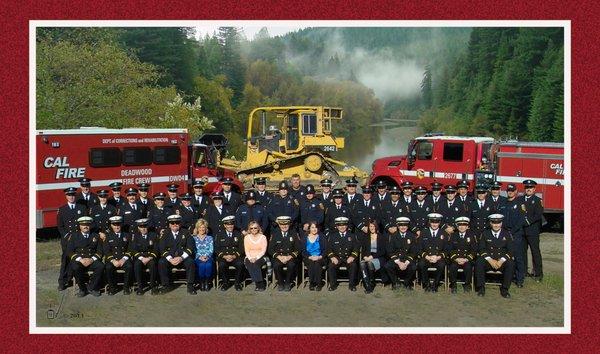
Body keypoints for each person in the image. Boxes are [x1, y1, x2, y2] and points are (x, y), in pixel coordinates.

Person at [475, 214, 515, 298]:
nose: (496, 225)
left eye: (498, 223)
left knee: (511, 264)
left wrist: (502, 260)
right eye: (494, 223)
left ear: (501, 223)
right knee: (479, 262)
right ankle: (481, 288)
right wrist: (490, 260)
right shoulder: (485, 233)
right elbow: (481, 249)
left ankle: (505, 289)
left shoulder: (507, 234)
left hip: (501, 261)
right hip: (489, 261)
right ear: (490, 223)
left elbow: (511, 250)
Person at [157, 214, 197, 295]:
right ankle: (165, 285)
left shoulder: (186, 232)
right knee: (161, 262)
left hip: (182, 257)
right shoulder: (165, 233)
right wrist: (170, 259)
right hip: (170, 258)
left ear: (180, 224)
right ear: (169, 225)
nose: (175, 225)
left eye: (177, 223)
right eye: (172, 223)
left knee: (191, 262)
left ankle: (190, 285)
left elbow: (190, 248)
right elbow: (162, 248)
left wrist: (181, 258)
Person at [57, 187, 87, 291]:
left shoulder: (82, 208)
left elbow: (85, 223)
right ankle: (62, 281)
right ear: (66, 196)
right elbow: (60, 227)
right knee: (66, 260)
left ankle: (80, 280)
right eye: (69, 195)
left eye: (73, 195)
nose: (71, 197)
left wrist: (79, 235)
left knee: (79, 259)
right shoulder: (62, 209)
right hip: (67, 239)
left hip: (79, 239)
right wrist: (67, 236)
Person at [67, 216, 104, 297]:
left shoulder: (95, 236)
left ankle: (91, 287)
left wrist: (91, 259)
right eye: (83, 225)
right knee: (76, 268)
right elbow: (69, 251)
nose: (85, 226)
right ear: (80, 226)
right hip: (79, 261)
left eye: (87, 224)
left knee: (100, 266)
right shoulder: (74, 236)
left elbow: (100, 251)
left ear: (90, 226)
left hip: (91, 260)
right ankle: (82, 289)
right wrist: (80, 259)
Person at [326, 217, 360, 291]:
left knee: (353, 265)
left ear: (347, 226)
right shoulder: (332, 236)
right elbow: (328, 248)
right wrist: (332, 257)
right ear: (337, 226)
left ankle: (352, 285)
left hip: (348, 257)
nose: (342, 227)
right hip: (337, 257)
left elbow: (356, 248)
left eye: (344, 225)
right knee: (331, 266)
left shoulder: (352, 236)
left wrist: (352, 256)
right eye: (340, 225)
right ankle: (333, 285)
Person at [384, 216, 418, 290]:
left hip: (407, 259)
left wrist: (406, 263)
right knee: (388, 266)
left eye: (405, 225)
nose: (403, 227)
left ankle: (407, 282)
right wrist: (399, 263)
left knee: (413, 267)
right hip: (397, 259)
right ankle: (395, 282)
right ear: (398, 226)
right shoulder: (393, 236)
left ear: (408, 226)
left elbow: (413, 251)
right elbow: (390, 251)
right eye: (401, 225)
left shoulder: (411, 236)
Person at [418, 213, 449, 292]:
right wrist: (427, 257)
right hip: (427, 257)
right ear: (429, 222)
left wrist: (438, 257)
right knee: (421, 264)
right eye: (432, 222)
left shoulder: (444, 233)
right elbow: (419, 248)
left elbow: (446, 250)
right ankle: (427, 284)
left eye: (437, 222)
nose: (434, 224)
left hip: (438, 257)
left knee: (442, 265)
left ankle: (435, 284)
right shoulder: (424, 232)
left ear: (439, 223)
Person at [520, 179, 544, 282]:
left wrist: (528, 222)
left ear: (534, 189)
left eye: (530, 188)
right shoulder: (520, 199)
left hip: (532, 231)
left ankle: (538, 274)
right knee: (522, 252)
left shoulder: (538, 200)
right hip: (521, 231)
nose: (528, 189)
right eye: (527, 187)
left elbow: (538, 215)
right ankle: (524, 271)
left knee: (535, 252)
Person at [103, 216, 133, 295]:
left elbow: (130, 249)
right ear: (111, 226)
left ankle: (126, 287)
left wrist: (123, 259)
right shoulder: (108, 236)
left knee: (129, 266)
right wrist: (113, 260)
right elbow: (106, 251)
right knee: (108, 267)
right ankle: (112, 288)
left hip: (124, 259)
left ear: (121, 225)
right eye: (115, 225)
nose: (117, 226)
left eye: (118, 224)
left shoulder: (127, 235)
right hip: (113, 259)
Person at [503, 183, 526, 287]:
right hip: (505, 233)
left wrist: (512, 232)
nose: (510, 192)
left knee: (518, 257)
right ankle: (509, 276)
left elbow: (521, 220)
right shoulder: (504, 203)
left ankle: (520, 279)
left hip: (516, 234)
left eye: (512, 191)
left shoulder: (520, 203)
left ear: (516, 192)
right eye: (509, 191)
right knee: (506, 256)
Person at [129, 218, 159, 295]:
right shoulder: (135, 236)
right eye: (141, 227)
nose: (143, 228)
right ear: (138, 227)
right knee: (136, 265)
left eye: (145, 226)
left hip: (150, 257)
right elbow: (133, 250)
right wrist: (142, 258)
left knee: (153, 265)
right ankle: (140, 287)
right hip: (140, 257)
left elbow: (156, 249)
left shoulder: (153, 235)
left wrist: (149, 258)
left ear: (147, 226)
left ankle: (153, 286)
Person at [269, 216, 299, 291]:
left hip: (290, 257)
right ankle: (280, 283)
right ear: (279, 225)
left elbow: (298, 248)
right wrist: (279, 257)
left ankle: (288, 283)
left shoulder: (294, 233)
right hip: (279, 257)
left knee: (291, 265)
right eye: (282, 224)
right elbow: (270, 249)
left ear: (289, 224)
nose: (284, 226)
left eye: (286, 224)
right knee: (276, 265)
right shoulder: (275, 234)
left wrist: (289, 257)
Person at [447, 216, 477, 293]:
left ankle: (467, 284)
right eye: (460, 225)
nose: (462, 227)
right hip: (456, 258)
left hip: (466, 259)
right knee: (453, 266)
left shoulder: (472, 236)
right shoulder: (453, 235)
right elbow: (450, 249)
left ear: (467, 226)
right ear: (457, 226)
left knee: (468, 267)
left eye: (464, 225)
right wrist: (456, 258)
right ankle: (453, 285)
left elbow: (474, 250)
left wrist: (466, 259)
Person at [214, 215, 245, 291]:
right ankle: (225, 283)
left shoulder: (238, 234)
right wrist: (224, 256)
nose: (230, 226)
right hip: (224, 257)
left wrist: (234, 256)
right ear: (224, 225)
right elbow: (216, 248)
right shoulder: (219, 234)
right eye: (228, 224)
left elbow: (242, 248)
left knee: (240, 264)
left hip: (235, 256)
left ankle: (237, 283)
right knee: (221, 265)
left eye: (231, 224)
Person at [359, 220, 388, 294]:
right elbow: (363, 250)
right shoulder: (365, 237)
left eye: (374, 226)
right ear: (368, 227)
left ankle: (372, 282)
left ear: (376, 227)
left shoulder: (381, 237)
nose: (372, 228)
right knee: (362, 263)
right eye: (371, 226)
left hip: (379, 258)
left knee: (369, 263)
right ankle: (367, 285)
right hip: (368, 257)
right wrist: (364, 256)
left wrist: (372, 257)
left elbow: (383, 251)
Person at [301, 222, 328, 291]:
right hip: (308, 257)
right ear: (309, 228)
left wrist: (320, 257)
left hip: (320, 257)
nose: (314, 229)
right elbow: (303, 250)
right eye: (312, 227)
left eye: (316, 227)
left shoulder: (322, 236)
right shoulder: (304, 237)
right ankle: (312, 283)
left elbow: (326, 250)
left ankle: (318, 284)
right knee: (311, 263)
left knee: (317, 264)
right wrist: (309, 257)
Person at [244, 221, 269, 291]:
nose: (253, 229)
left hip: (260, 256)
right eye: (251, 228)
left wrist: (256, 258)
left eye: (255, 228)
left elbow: (263, 251)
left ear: (258, 228)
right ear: (249, 229)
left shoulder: (263, 237)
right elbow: (247, 250)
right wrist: (250, 258)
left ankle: (259, 284)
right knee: (249, 264)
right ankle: (259, 284)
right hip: (249, 256)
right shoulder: (246, 237)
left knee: (255, 265)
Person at [192, 219, 214, 292]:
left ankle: (207, 282)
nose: (202, 229)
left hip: (208, 257)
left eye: (203, 227)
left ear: (206, 228)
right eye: (200, 227)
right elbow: (193, 250)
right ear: (197, 228)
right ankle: (201, 282)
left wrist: (207, 256)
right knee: (201, 265)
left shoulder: (210, 238)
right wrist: (200, 257)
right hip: (198, 257)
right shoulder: (193, 238)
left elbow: (211, 249)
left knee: (208, 265)